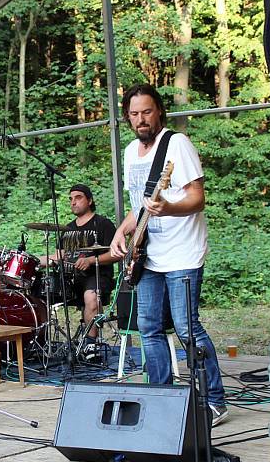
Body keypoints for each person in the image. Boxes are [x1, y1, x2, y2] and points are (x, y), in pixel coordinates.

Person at [110, 83, 228, 426]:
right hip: (147, 256)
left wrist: (169, 208)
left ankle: (215, 400)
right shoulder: (131, 151)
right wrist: (121, 231)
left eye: (146, 112)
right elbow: (139, 207)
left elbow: (197, 198)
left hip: (183, 255)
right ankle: (160, 398)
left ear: (159, 110)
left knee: (187, 328)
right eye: (134, 114)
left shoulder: (176, 144)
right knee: (148, 328)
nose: (140, 120)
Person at [41, 185, 118, 357]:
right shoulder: (67, 229)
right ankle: (37, 342)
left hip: (97, 276)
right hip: (70, 279)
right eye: (71, 199)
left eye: (78, 197)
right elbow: (57, 256)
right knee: (41, 292)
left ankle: (91, 346)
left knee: (91, 297)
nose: (73, 202)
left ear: (90, 200)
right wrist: (33, 261)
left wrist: (90, 260)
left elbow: (116, 253)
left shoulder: (103, 224)